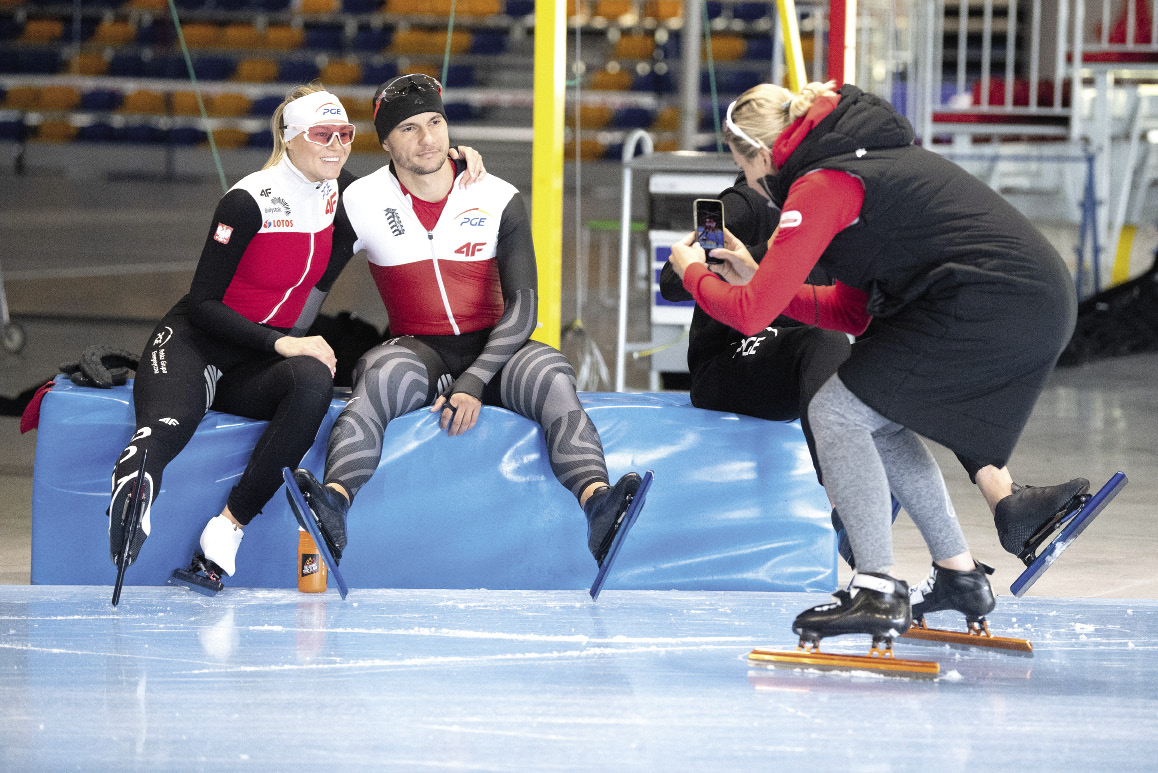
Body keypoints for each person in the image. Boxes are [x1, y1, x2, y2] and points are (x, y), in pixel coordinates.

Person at [667, 81, 1078, 649]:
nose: (755, 183)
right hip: (1025, 295)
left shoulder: (823, 183)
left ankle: (875, 586)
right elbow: (852, 313)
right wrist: (754, 277)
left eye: (746, 167)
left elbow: (749, 315)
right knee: (875, 414)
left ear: (762, 155)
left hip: (993, 300)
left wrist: (693, 270)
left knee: (836, 411)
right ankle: (958, 575)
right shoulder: (856, 162)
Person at [107, 82, 486, 591]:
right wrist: (281, 341)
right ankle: (135, 486)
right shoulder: (246, 201)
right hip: (196, 345)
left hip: (253, 366)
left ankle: (227, 531)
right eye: (322, 135)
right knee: (170, 425)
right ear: (290, 140)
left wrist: (455, 161)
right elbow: (201, 306)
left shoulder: (346, 193)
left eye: (345, 134)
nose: (336, 145)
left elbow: (412, 173)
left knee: (312, 381)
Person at [290, 73, 645, 575]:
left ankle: (600, 506)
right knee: (378, 375)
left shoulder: (496, 194)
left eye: (435, 121)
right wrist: (279, 345)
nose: (428, 138)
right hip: (419, 351)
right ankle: (332, 505)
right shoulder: (360, 201)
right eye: (409, 128)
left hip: (497, 351)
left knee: (551, 373)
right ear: (387, 141)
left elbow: (525, 310)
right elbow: (311, 292)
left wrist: (474, 381)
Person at [660, 180, 1089, 569]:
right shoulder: (746, 204)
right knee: (821, 342)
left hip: (809, 356)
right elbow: (671, 280)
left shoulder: (835, 209)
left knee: (906, 351)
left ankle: (1007, 503)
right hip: (731, 360)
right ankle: (843, 509)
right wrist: (761, 255)